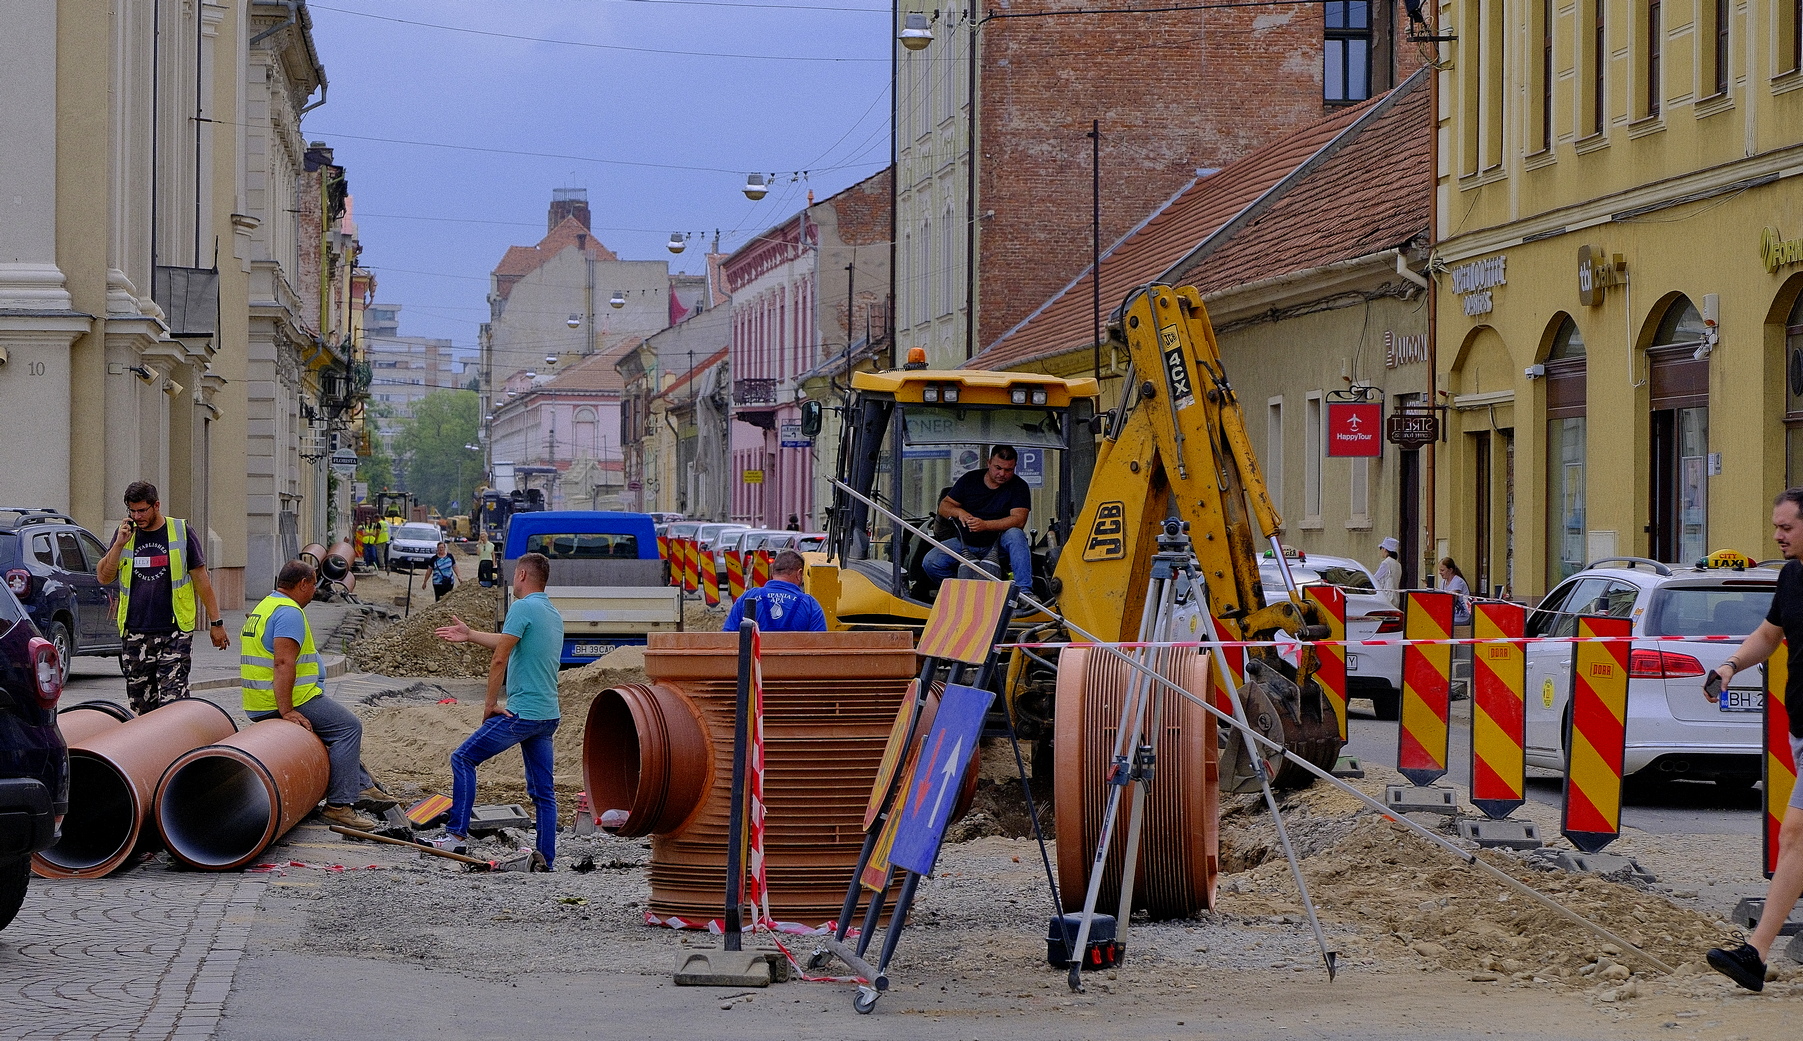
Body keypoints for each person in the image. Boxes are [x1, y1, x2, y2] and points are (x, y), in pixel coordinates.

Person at [1705, 488, 1803, 991]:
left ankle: (1755, 956)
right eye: (1776, 526)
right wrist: (1729, 665)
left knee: (1795, 837)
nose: (1776, 536)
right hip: (1801, 730)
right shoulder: (1791, 577)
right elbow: (1769, 635)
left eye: (1786, 527)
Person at [434, 552, 564, 869]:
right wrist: (470, 634)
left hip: (521, 713)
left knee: (463, 757)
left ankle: (456, 836)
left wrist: (490, 705)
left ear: (521, 575)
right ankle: (545, 858)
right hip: (547, 716)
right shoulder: (551, 612)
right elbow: (509, 641)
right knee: (544, 793)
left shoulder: (521, 607)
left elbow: (500, 659)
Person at [241, 560, 391, 831]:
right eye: (312, 586)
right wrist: (287, 711)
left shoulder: (265, 606)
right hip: (289, 699)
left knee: (331, 730)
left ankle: (362, 785)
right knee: (347, 728)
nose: (314, 592)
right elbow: (283, 663)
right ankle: (339, 806)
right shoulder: (289, 612)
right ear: (303, 584)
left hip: (258, 699)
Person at [95, 482, 230, 715]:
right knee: (141, 707)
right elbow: (104, 577)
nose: (137, 516)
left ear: (156, 505)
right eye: (132, 511)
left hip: (174, 631)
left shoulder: (181, 531)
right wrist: (119, 544)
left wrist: (216, 623)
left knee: (173, 703)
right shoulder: (125, 534)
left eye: (142, 510)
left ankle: (177, 748)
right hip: (135, 632)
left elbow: (202, 580)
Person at [922, 445, 1033, 595]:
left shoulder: (1019, 486)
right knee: (931, 562)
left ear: (1015, 467)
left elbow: (1019, 520)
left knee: (1016, 535)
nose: (1002, 474)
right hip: (964, 543)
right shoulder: (969, 480)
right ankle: (964, 592)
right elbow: (944, 506)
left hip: (999, 544)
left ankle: (1025, 593)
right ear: (988, 463)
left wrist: (985, 525)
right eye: (998, 468)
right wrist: (959, 512)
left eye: (1008, 470)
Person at [722, 549, 827, 633]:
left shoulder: (748, 597)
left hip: (754, 660)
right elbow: (820, 646)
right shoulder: (809, 604)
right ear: (799, 574)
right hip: (794, 660)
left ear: (772, 571)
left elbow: (728, 638)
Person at [1438, 557, 1472, 625]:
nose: (1440, 573)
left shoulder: (1458, 582)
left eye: (1442, 570)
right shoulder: (1443, 582)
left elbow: (1451, 601)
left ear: (1450, 570)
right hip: (1450, 615)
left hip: (1462, 615)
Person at [1373, 537, 1402, 608]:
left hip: (1386, 598)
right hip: (1395, 599)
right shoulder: (1398, 564)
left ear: (1385, 549)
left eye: (1381, 548)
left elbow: (1375, 579)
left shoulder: (1386, 563)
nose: (1381, 551)